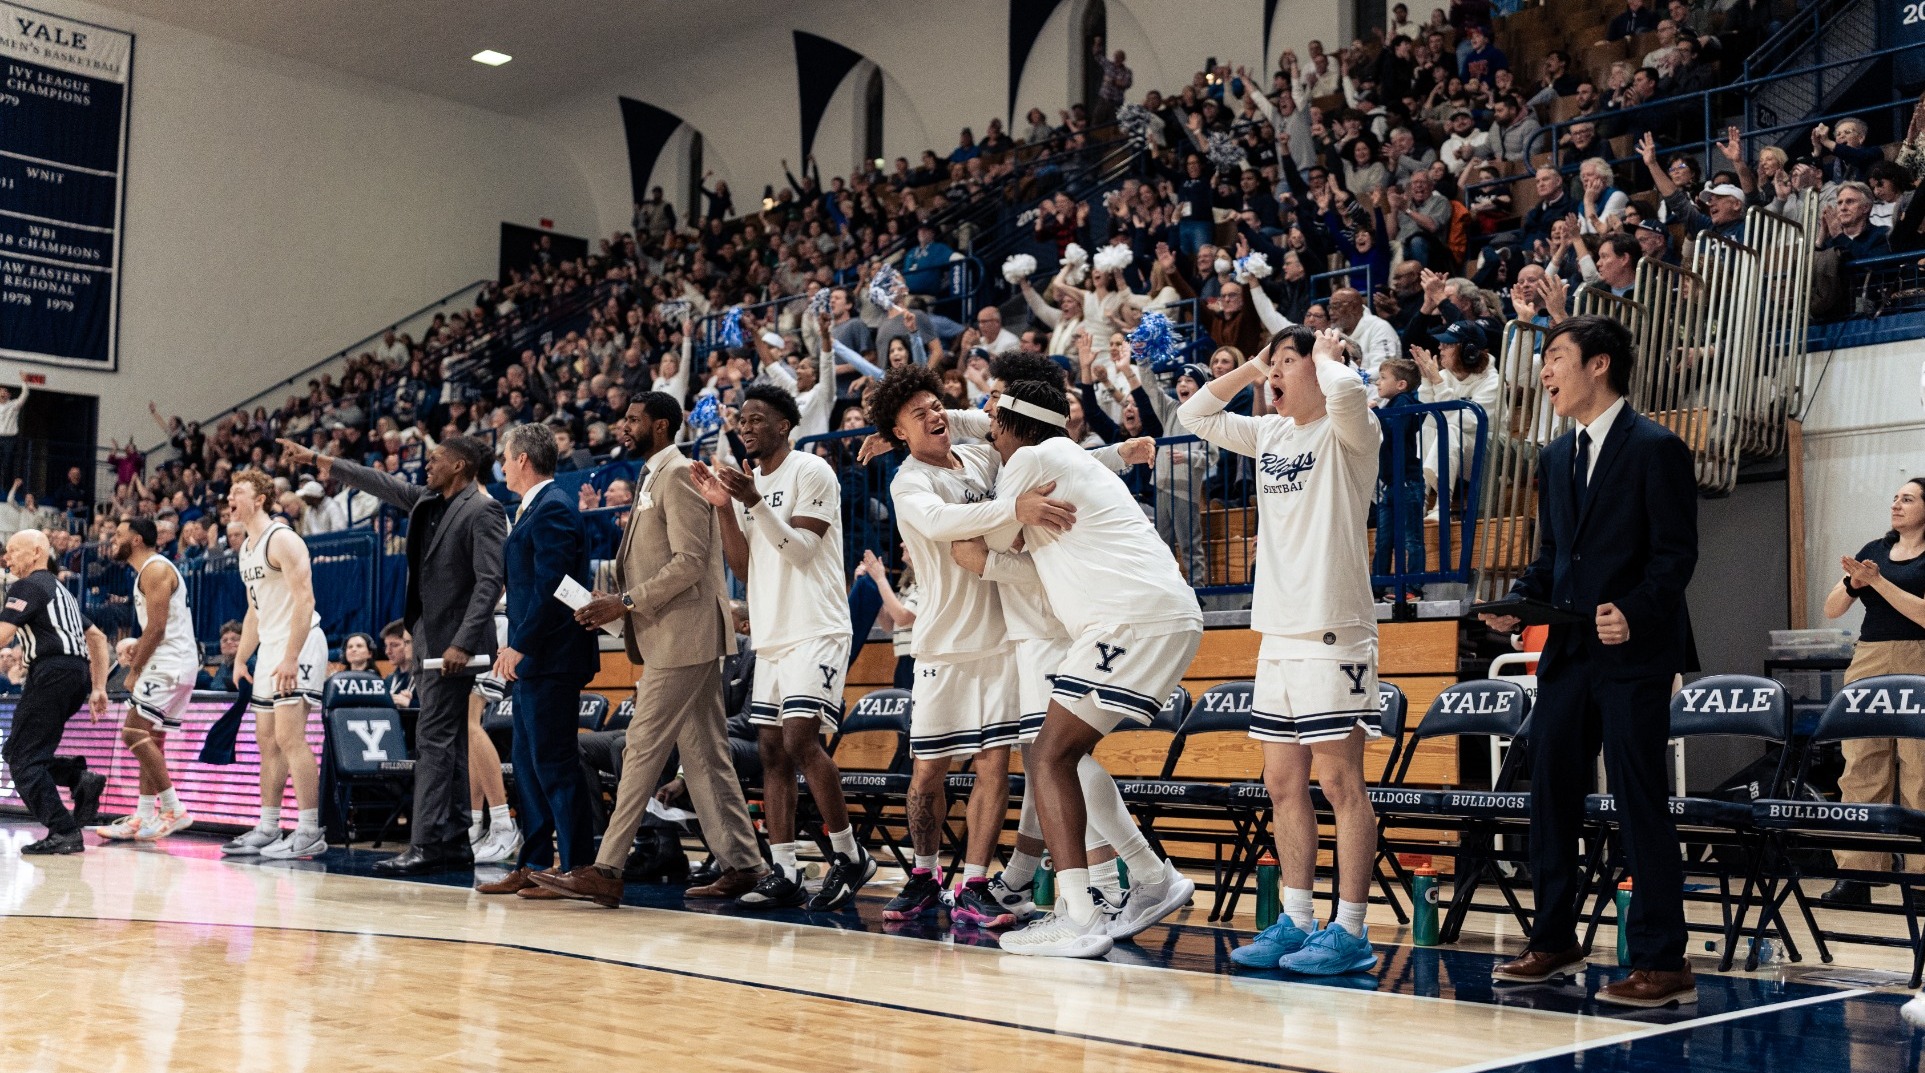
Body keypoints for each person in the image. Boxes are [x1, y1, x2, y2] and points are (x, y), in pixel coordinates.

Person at [1479, 315, 1699, 1008]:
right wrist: (1519, 601)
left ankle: (1662, 961)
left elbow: (1675, 556)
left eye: (1555, 358)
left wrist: (1631, 608)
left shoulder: (1655, 447)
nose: (1543, 372)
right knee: (1548, 795)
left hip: (1633, 653)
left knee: (1639, 801)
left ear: (1599, 364)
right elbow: (1553, 560)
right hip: (1568, 654)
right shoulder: (1553, 457)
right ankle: (1552, 938)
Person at [959, 377, 1204, 958]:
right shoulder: (1067, 455)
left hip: (1129, 621)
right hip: (1151, 617)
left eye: (996, 421)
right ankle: (1148, 879)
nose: (988, 429)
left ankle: (1078, 914)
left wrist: (995, 530)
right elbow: (1009, 539)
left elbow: (982, 537)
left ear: (1017, 424)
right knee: (1064, 753)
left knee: (1048, 754)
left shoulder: (1035, 457)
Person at [1180, 326, 1385, 975]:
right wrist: (1252, 366)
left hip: (1334, 631)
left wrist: (1324, 355)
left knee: (1338, 781)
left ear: (1318, 371)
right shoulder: (1268, 433)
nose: (1276, 374)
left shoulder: (1350, 431)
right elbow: (1193, 413)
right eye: (1275, 363)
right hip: (1276, 633)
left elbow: (1349, 389)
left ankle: (1350, 930)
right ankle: (1296, 921)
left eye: (1285, 363)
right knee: (1281, 781)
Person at [548, 393, 769, 905]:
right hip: (673, 634)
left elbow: (691, 561)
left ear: (661, 425)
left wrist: (623, 603)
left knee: (642, 748)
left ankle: (607, 868)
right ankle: (745, 864)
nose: (622, 426)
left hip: (685, 633)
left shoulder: (679, 474)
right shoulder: (653, 473)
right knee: (706, 754)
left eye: (632, 418)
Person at [688, 383, 876, 911]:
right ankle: (786, 869)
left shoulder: (812, 472)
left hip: (815, 627)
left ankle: (849, 854)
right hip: (771, 633)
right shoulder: (751, 484)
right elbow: (746, 567)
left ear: (784, 426)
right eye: (741, 420)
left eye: (756, 418)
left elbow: (801, 550)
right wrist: (727, 507)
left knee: (798, 742)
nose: (745, 426)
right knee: (771, 751)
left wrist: (753, 504)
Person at [287, 435, 506, 876]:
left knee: (432, 739)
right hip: (430, 639)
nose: (427, 465)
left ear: (460, 466)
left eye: (436, 459)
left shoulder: (484, 509)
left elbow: (490, 580)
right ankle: (455, 840)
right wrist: (320, 460)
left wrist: (463, 642)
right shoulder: (430, 499)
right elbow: (380, 483)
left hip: (454, 646)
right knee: (446, 741)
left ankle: (426, 843)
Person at [864, 365, 1036, 924]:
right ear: (899, 434)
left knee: (994, 766)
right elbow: (941, 523)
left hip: (1001, 637)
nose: (936, 416)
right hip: (941, 641)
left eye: (937, 405)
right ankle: (923, 871)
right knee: (928, 772)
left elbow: (992, 417)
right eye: (919, 413)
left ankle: (976, 881)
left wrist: (943, 414)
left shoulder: (982, 457)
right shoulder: (908, 482)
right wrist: (1013, 510)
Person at [477, 424, 602, 901]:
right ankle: (533, 864)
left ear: (524, 459)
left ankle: (576, 866)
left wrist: (520, 643)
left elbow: (555, 588)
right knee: (528, 766)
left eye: (506, 459)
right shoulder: (536, 509)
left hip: (552, 658)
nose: (502, 466)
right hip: (537, 661)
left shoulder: (553, 509)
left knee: (554, 763)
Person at [1820, 478, 1925, 908]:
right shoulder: (1874, 550)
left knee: (1920, 767)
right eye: (1895, 497)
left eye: (1908, 498)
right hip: (1869, 658)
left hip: (1918, 658)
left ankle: (1921, 878)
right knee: (1861, 763)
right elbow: (1831, 609)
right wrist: (1852, 584)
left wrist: (1878, 584)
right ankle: (1858, 874)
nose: (1896, 504)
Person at [225, 470, 330, 861]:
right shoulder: (246, 548)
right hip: (271, 646)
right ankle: (269, 826)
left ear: (261, 499)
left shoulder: (282, 538)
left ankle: (309, 830)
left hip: (298, 643)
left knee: (290, 737)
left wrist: (290, 656)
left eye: (239, 491)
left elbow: (305, 600)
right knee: (267, 740)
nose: (230, 498)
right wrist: (241, 657)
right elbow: (254, 609)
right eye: (230, 492)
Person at [0, 529, 111, 854]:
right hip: (75, 676)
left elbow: (4, 635)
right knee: (22, 753)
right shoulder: (61, 592)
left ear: (35, 552)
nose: (7, 558)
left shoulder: (27, 585)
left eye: (12, 551)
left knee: (22, 759)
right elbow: (99, 639)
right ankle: (79, 779)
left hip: (51, 672)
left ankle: (64, 831)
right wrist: (99, 687)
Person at [90, 517, 200, 842]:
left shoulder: (154, 569)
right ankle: (143, 815)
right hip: (174, 660)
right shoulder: (149, 571)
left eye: (119, 534)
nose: (113, 538)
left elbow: (158, 627)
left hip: (169, 662)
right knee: (150, 739)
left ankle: (174, 808)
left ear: (136, 539)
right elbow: (161, 626)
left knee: (132, 732)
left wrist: (135, 668)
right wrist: (139, 647)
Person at [1372, 357, 1428, 601]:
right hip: (1391, 484)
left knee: (1411, 538)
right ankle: (1377, 586)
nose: (1377, 382)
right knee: (1384, 539)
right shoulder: (1393, 405)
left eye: (1384, 378)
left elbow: (1396, 429)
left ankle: (1413, 588)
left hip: (1407, 482)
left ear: (1402, 384)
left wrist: (1374, 414)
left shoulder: (1404, 402)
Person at [0, 372, 30, 488]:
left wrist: (24, 382)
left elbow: (24, 395)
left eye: (5, 391)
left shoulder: (14, 405)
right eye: (1, 390)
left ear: (9, 395)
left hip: (9, 439)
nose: (3, 393)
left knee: (8, 464)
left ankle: (7, 489)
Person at [380, 619, 414, 706]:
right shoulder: (389, 680)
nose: (387, 651)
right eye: (386, 646)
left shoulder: (422, 678)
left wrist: (411, 704)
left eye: (394, 645)